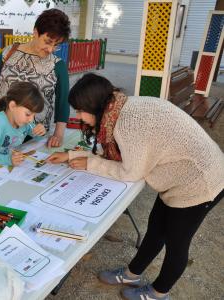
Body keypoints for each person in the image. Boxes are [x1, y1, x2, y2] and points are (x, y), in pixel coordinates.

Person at [47, 73, 224, 300]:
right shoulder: (119, 110)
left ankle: (159, 293)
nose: (78, 115)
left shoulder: (127, 124)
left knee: (177, 243)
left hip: (200, 182)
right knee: (156, 229)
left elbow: (130, 172)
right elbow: (119, 154)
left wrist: (90, 163)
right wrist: (72, 154)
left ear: (95, 106)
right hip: (180, 176)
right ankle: (132, 274)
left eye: (80, 110)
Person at [0, 8, 71, 148]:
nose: (51, 49)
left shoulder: (57, 65)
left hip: (34, 137)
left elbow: (63, 103)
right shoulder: (8, 53)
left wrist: (58, 135)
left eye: (56, 45)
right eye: (48, 42)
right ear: (35, 32)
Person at [0, 81, 46, 166]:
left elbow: (37, 138)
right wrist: (8, 160)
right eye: (28, 114)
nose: (31, 119)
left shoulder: (24, 122)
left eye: (34, 115)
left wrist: (40, 132)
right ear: (12, 106)